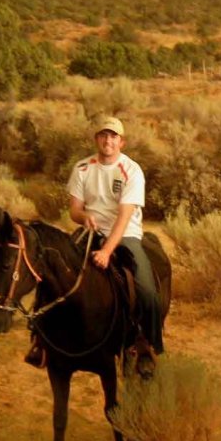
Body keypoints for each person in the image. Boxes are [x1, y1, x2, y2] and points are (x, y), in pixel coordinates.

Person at [65, 116, 163, 354]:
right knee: (56, 268)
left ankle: (149, 344)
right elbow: (74, 209)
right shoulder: (82, 168)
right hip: (91, 231)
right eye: (103, 135)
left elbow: (124, 216)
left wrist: (107, 251)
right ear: (96, 139)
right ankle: (43, 340)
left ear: (122, 142)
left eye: (113, 136)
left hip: (124, 233)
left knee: (147, 290)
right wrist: (83, 217)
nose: (108, 140)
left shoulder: (131, 171)